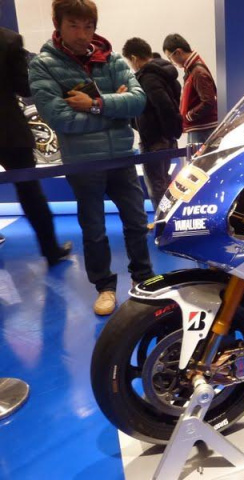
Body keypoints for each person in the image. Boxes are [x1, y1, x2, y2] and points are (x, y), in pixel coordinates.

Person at [29, 0, 155, 316]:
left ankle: (144, 278)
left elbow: (138, 101)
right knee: (94, 228)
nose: (82, 34)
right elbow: (60, 118)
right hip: (83, 162)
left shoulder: (112, 59)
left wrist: (95, 104)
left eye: (88, 26)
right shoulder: (43, 65)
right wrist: (115, 111)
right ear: (58, 25)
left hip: (122, 157)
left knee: (137, 222)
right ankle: (105, 287)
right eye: (73, 25)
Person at [0, 26, 72, 266]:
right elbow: (23, 87)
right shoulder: (8, 40)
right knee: (29, 192)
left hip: (9, 129)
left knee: (30, 191)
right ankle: (51, 250)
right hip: (8, 129)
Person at [122, 37, 182, 210]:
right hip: (166, 138)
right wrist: (171, 133)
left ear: (134, 58)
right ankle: (168, 217)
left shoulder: (148, 77)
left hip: (154, 139)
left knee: (156, 186)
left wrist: (163, 133)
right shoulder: (164, 73)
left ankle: (162, 220)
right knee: (164, 182)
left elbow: (164, 106)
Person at [162, 34, 217, 145]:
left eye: (170, 58)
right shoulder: (193, 70)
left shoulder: (197, 72)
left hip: (202, 130)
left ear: (178, 52)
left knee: (199, 157)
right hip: (200, 128)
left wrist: (188, 116)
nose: (172, 62)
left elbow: (208, 101)